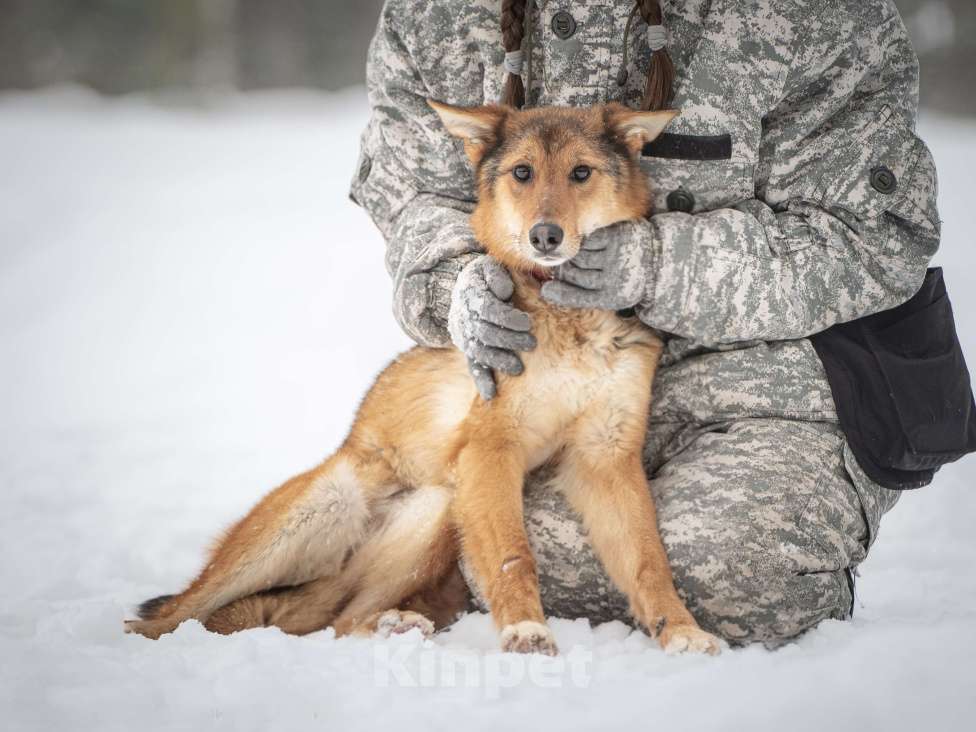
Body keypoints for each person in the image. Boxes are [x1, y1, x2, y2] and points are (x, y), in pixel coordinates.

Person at [348, 0, 941, 646]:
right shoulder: (433, 12)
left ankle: (421, 572)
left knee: (738, 576)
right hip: (538, 374)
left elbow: (876, 236)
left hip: (757, 383)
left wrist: (657, 264)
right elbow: (415, 196)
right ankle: (405, 568)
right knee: (426, 515)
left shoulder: (812, 14)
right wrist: (453, 278)